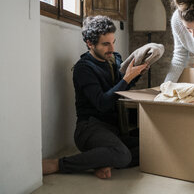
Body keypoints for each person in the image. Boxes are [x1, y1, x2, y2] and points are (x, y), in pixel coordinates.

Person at [42, 16, 148, 179]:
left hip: (113, 129)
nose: (111, 48)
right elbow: (102, 103)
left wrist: (136, 74)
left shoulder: (114, 58)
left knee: (152, 144)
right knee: (123, 155)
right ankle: (59, 164)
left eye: (113, 42)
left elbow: (120, 89)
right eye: (106, 44)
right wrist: (126, 78)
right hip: (89, 129)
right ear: (90, 43)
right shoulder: (83, 68)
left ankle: (103, 161)